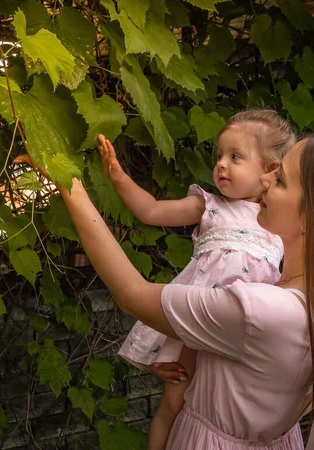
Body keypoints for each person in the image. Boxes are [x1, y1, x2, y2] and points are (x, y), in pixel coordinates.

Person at [15, 130, 314, 450]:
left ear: (312, 218)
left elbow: (132, 293)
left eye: (280, 179)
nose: (265, 180)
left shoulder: (262, 309)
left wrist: (69, 184)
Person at [101, 110, 296, 450]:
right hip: (197, 324)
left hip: (244, 340)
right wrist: (119, 177)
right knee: (175, 402)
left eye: (235, 156)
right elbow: (151, 211)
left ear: (271, 170)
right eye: (219, 155)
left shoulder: (281, 223)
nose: (221, 163)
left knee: (231, 409)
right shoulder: (208, 206)